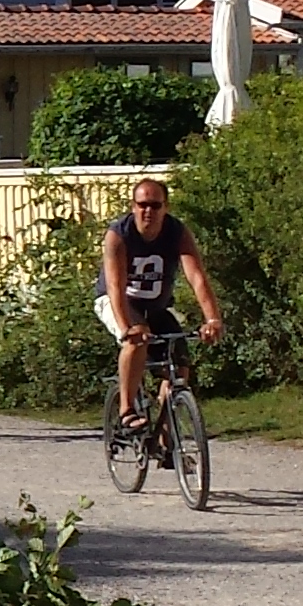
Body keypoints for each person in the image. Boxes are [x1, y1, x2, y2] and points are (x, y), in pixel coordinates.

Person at [100, 179, 223, 431]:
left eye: (155, 205)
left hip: (155, 306)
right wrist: (126, 328)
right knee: (136, 341)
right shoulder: (118, 235)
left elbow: (197, 277)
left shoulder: (177, 232)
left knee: (179, 367)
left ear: (166, 207)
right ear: (133, 206)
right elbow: (115, 286)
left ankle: (166, 435)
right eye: (142, 205)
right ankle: (126, 410)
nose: (148, 211)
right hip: (116, 300)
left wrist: (212, 319)